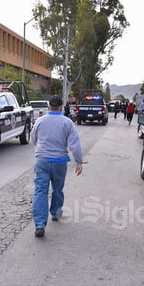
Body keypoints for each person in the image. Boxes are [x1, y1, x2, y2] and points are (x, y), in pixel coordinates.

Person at [29, 95, 83, 238]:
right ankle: (56, 212)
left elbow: (33, 139)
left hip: (42, 161)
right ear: (61, 107)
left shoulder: (40, 121)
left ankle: (40, 225)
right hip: (60, 162)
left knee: (40, 191)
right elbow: (74, 144)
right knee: (57, 189)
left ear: (48, 107)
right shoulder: (67, 122)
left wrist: (42, 151)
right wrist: (79, 162)